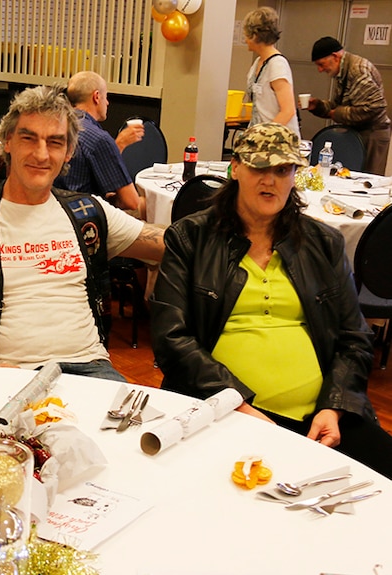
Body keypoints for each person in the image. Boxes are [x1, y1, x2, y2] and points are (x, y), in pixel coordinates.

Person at [150, 122, 392, 478]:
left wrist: (335, 406)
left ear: (296, 174)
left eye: (282, 169)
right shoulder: (192, 238)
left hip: (321, 416)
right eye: (259, 168)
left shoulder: (323, 243)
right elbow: (171, 338)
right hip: (224, 407)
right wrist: (237, 404)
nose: (270, 180)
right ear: (236, 169)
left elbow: (354, 338)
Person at [0, 86, 164, 379]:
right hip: (3, 374)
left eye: (55, 142)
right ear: (7, 142)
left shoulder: (87, 212)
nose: (41, 154)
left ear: (68, 152)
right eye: (29, 138)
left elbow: (170, 244)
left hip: (90, 369)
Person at [54, 71, 145, 218]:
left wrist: (118, 145)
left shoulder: (58, 124)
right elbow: (131, 202)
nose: (108, 103)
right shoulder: (98, 138)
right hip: (84, 217)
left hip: (55, 208)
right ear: (96, 97)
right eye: (106, 97)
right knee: (147, 206)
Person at [308, 36, 391, 175]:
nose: (320, 70)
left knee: (366, 182)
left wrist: (337, 114)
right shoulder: (342, 71)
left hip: (372, 134)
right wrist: (318, 106)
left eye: (321, 64)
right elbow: (337, 105)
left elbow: (375, 108)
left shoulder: (357, 70)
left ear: (335, 57)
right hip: (358, 132)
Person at [243, 7, 299, 136]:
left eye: (246, 35)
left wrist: (263, 135)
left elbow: (287, 111)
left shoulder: (277, 65)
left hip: (279, 141)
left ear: (255, 35)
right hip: (260, 136)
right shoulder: (258, 62)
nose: (245, 40)